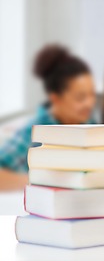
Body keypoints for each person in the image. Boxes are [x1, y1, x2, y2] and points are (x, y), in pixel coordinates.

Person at [0, 44, 96, 191]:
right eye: (80, 97)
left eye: (91, 94)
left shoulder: (91, 123)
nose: (89, 103)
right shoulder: (34, 132)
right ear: (55, 98)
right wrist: (42, 181)